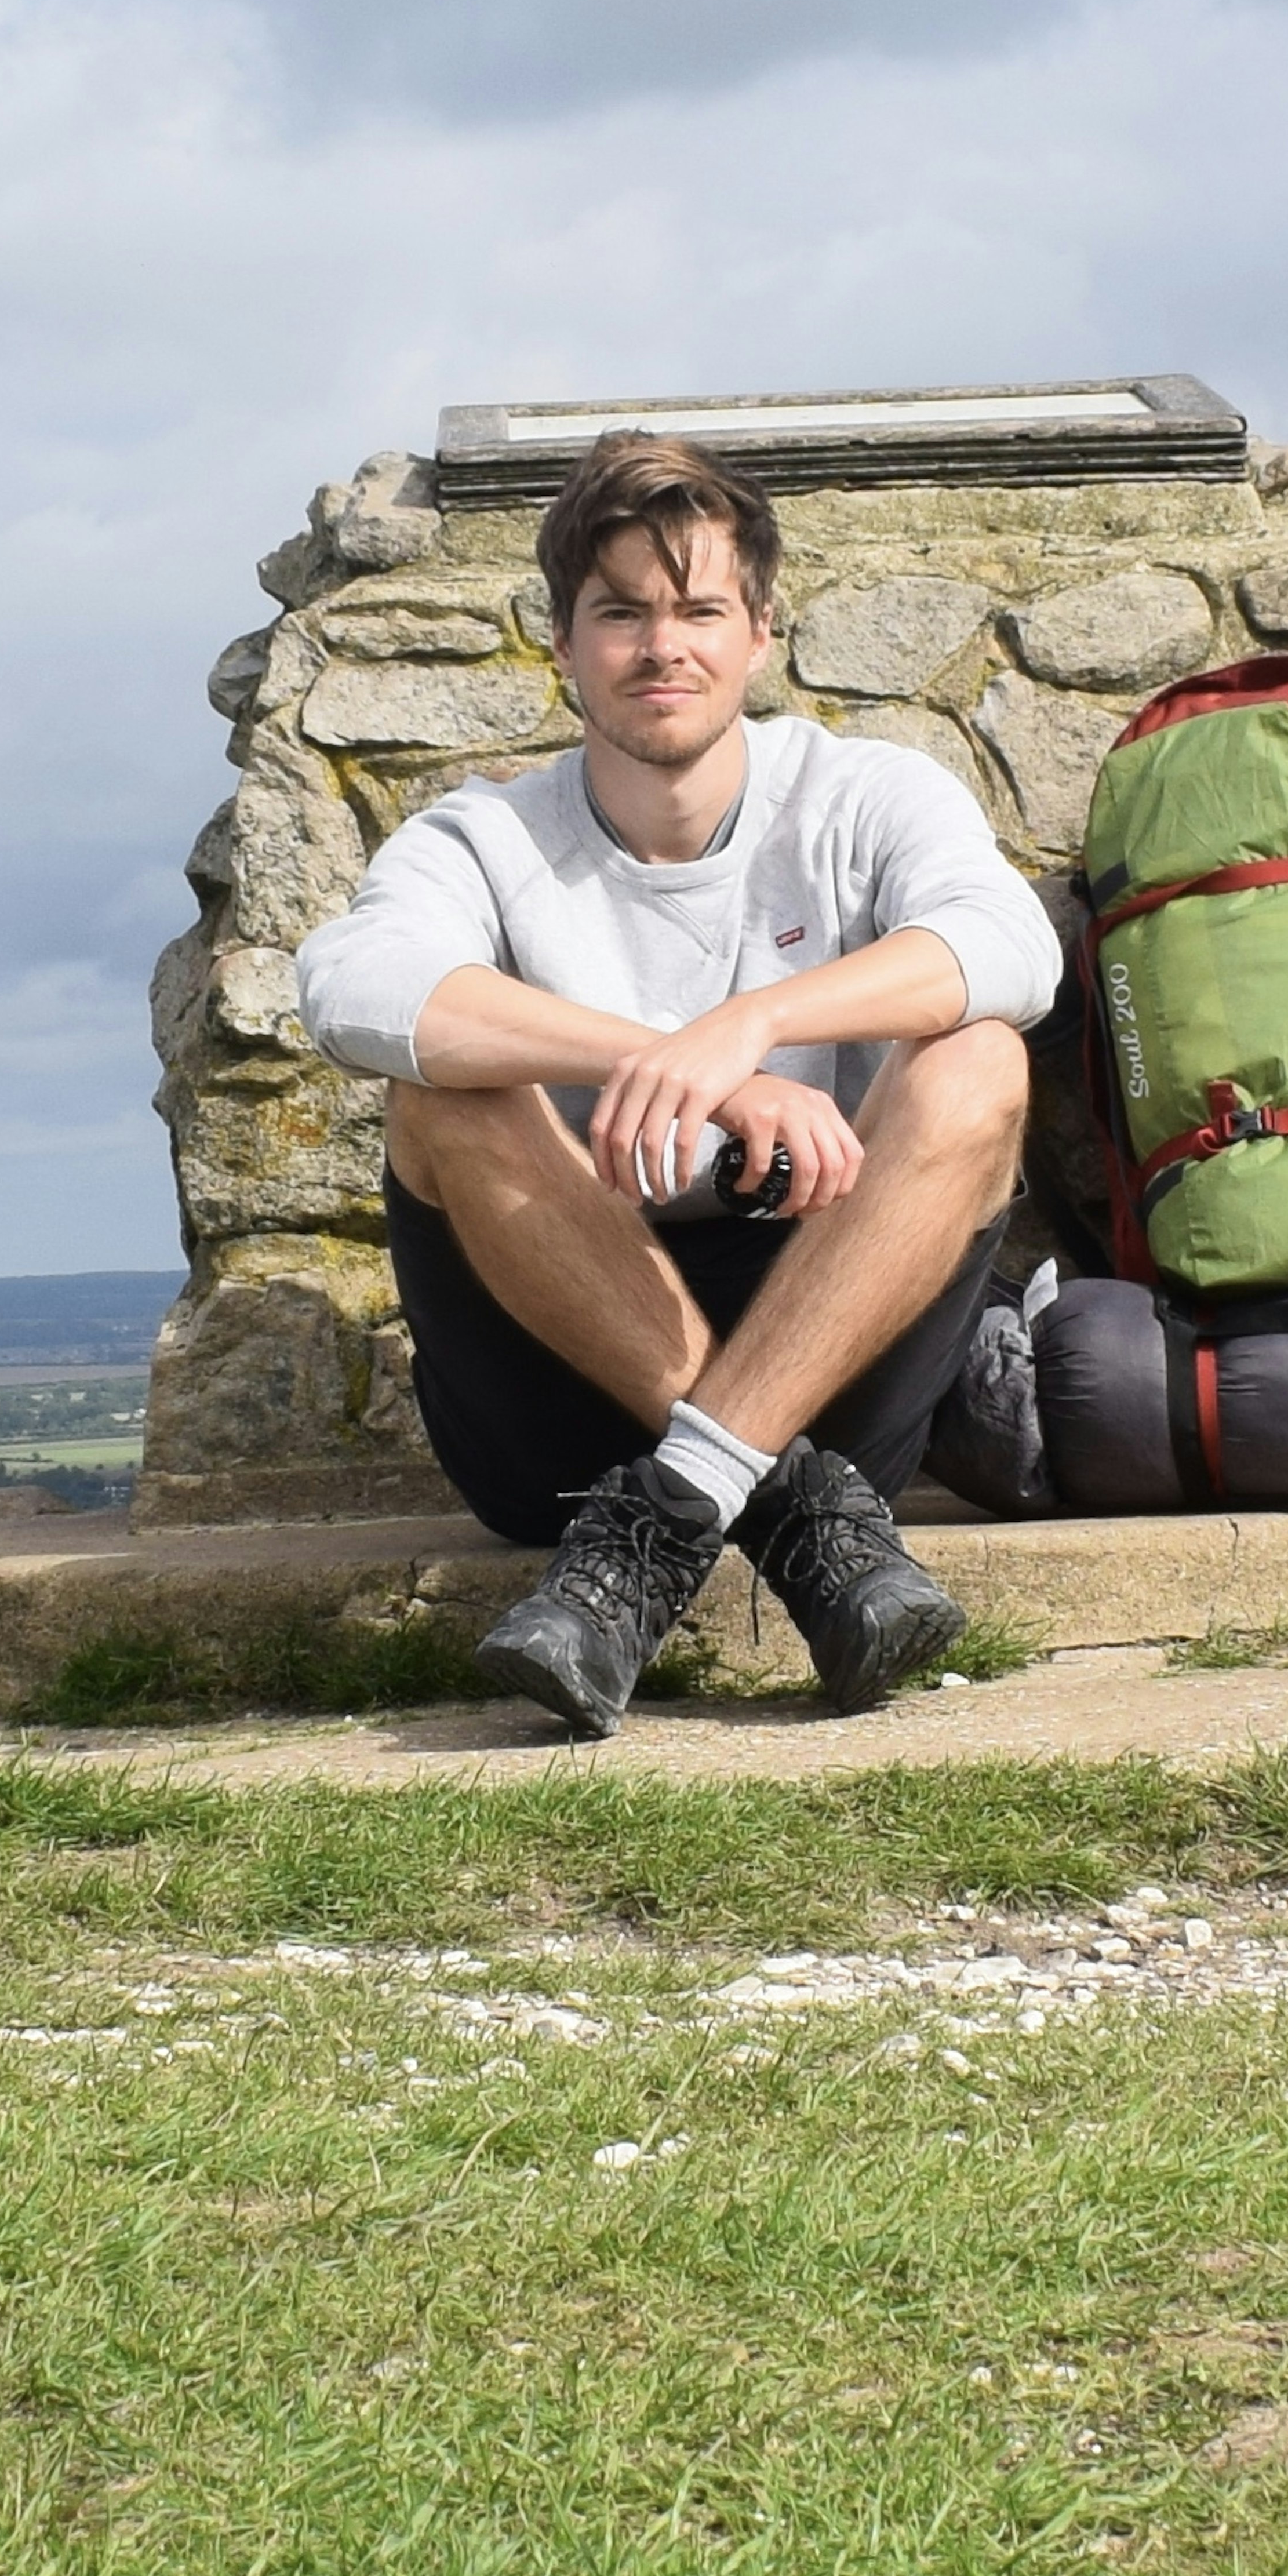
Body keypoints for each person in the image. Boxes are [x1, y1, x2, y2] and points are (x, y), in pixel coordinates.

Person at [294, 428, 1063, 1738]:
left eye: (702, 607)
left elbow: (1014, 948)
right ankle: (784, 1509)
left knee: (980, 1056)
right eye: (623, 613)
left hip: (823, 1351)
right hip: (557, 1403)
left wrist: (753, 1021)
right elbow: (353, 988)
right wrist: (661, 1059)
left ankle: (663, 1525)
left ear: (760, 630)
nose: (666, 646)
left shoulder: (862, 792)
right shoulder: (481, 835)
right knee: (444, 1091)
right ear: (562, 640)